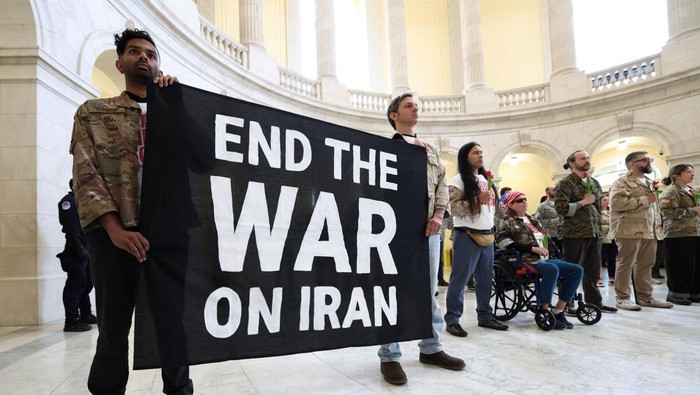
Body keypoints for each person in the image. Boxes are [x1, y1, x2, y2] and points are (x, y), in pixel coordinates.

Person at [70, 29, 194, 394]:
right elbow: (86, 172)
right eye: (135, 52)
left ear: (158, 65)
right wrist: (114, 230)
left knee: (173, 324)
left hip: (168, 233)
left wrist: (177, 102)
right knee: (113, 327)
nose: (145, 58)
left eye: (152, 54)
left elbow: (201, 161)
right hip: (113, 234)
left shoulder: (170, 110)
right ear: (120, 62)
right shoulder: (93, 112)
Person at [378, 93, 465, 385]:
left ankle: (431, 348)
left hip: (429, 231)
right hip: (394, 231)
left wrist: (439, 215)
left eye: (417, 106)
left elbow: (441, 184)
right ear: (394, 115)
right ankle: (389, 356)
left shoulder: (430, 150)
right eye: (408, 106)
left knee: (427, 292)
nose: (415, 109)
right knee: (394, 291)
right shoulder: (385, 149)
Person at [444, 142, 509, 337]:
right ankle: (453, 319)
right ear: (465, 156)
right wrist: (476, 200)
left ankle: (485, 315)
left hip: (488, 234)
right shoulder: (458, 180)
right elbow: (453, 208)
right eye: (475, 152)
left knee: (485, 280)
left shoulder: (485, 179)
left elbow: (493, 209)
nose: (480, 155)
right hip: (466, 235)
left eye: (482, 152)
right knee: (460, 279)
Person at [496, 191, 583, 329]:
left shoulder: (532, 220)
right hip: (524, 259)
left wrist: (552, 250)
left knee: (576, 270)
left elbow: (545, 237)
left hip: (544, 257)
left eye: (525, 199)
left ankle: (558, 311)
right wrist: (531, 248)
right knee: (552, 269)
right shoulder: (505, 221)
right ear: (511, 205)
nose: (524, 202)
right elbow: (503, 242)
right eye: (520, 200)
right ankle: (544, 309)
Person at [554, 150, 618, 313]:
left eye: (588, 157)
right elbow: (561, 208)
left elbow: (596, 207)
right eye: (583, 158)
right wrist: (582, 202)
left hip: (594, 232)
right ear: (572, 163)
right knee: (571, 270)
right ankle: (566, 304)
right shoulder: (565, 183)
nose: (587, 160)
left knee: (593, 271)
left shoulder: (594, 183)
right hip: (574, 233)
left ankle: (595, 302)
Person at [609, 151, 672, 310]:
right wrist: (645, 200)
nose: (648, 162)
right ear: (631, 164)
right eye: (644, 160)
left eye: (648, 159)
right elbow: (617, 204)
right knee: (626, 263)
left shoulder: (650, 182)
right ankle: (622, 298)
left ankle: (645, 297)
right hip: (629, 229)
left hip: (650, 229)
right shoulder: (621, 182)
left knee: (646, 264)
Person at [57, 179, 97, 332]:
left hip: (86, 247)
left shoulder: (82, 203)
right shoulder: (68, 202)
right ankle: (71, 319)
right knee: (76, 284)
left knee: (86, 282)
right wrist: (80, 249)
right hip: (75, 249)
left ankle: (85, 314)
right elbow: (71, 228)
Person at [659, 164, 700, 305]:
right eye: (688, 172)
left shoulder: (689, 190)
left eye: (693, 171)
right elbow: (668, 212)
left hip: (694, 232)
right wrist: (693, 210)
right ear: (676, 175)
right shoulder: (671, 191)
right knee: (680, 265)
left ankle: (693, 292)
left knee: (694, 265)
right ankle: (677, 294)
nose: (692, 174)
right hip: (677, 234)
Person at [599, 194, 617, 285]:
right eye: (604, 200)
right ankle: (598, 277)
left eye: (608, 200)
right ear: (600, 202)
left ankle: (612, 276)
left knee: (612, 257)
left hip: (612, 236)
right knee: (599, 257)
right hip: (601, 236)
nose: (607, 201)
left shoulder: (612, 212)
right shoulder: (598, 212)